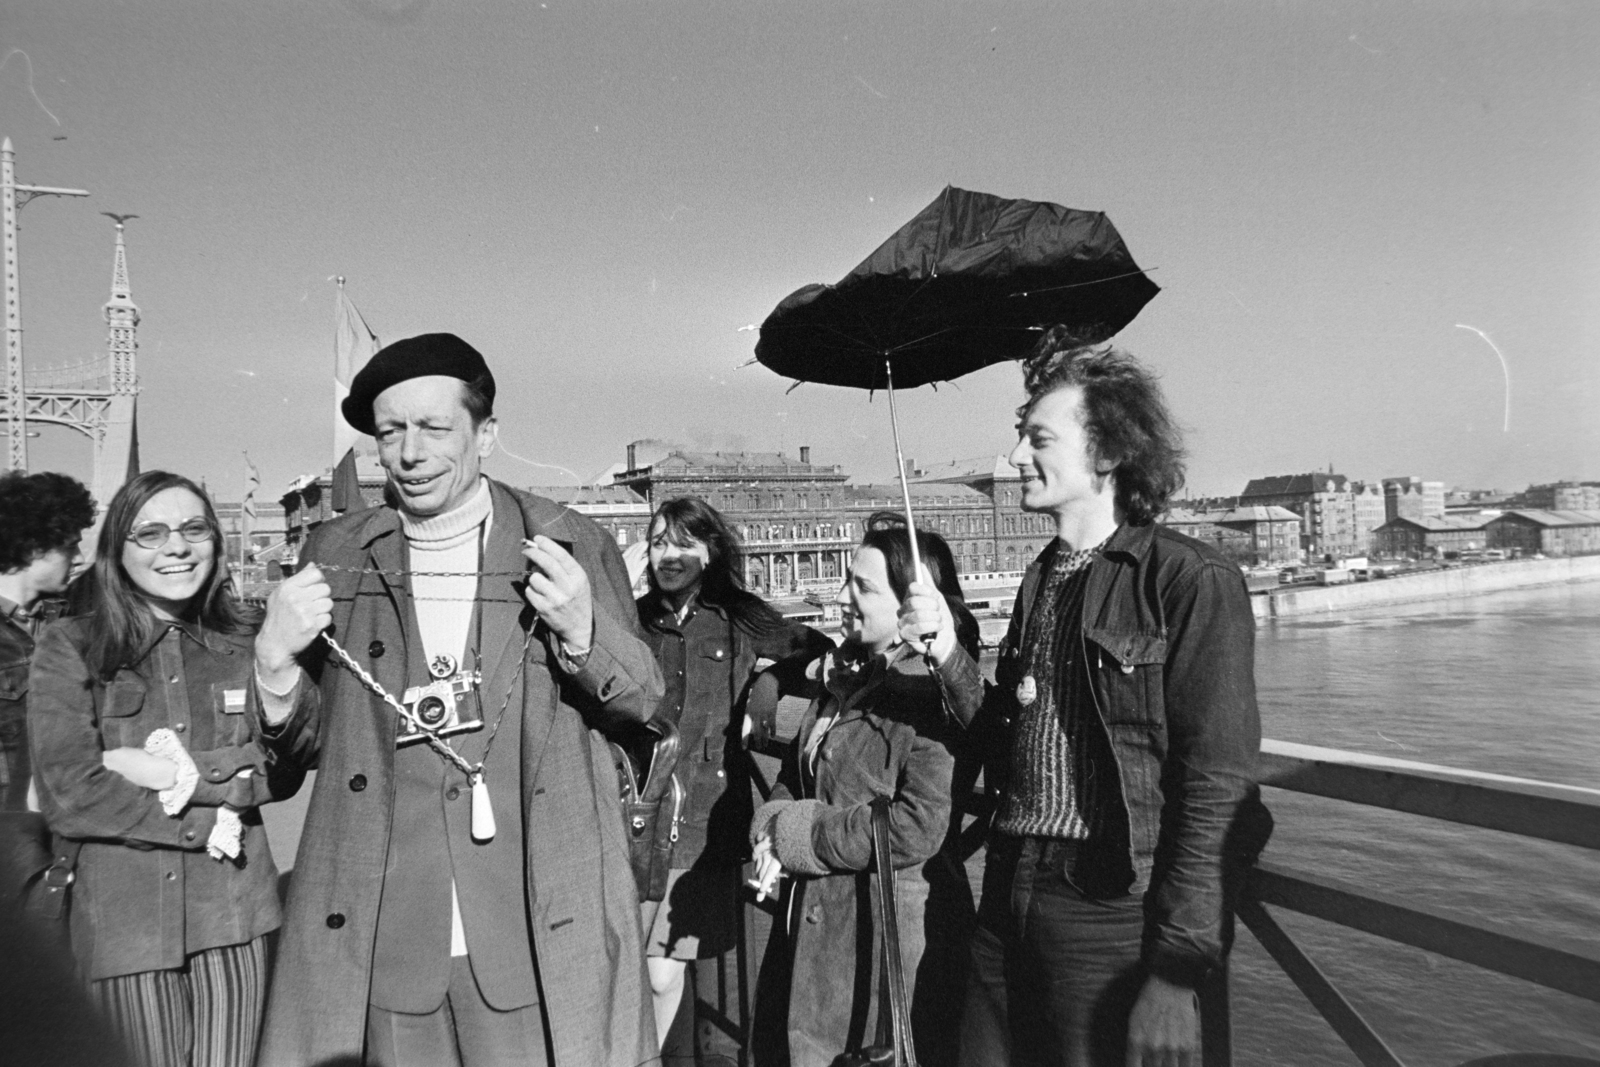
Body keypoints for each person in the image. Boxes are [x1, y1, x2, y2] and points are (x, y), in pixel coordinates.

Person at [252, 332, 665, 1067]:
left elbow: (645, 702)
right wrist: (275, 665)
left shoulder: (569, 540)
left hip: (532, 934)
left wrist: (582, 630)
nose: (409, 452)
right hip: (385, 940)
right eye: (390, 431)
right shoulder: (337, 551)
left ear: (487, 434)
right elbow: (300, 751)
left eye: (435, 427)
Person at [956, 331, 1270, 1067]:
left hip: (1109, 910)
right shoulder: (1041, 579)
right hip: (1008, 895)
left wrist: (1174, 971)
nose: (1014, 459)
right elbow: (1016, 740)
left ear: (1107, 452)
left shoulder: (1188, 580)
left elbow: (1216, 783)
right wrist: (945, 651)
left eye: (1038, 438)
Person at [27, 470, 305, 1067]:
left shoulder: (251, 641)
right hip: (124, 926)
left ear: (216, 540)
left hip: (235, 916)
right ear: (117, 552)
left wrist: (171, 775)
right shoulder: (69, 646)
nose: (175, 547)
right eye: (149, 533)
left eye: (193, 529)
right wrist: (212, 821)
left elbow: (283, 767)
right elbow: (72, 794)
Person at [749, 525, 983, 1067]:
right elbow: (797, 773)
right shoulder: (851, 675)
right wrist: (771, 822)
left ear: (913, 602)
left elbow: (919, 824)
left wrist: (800, 835)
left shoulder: (931, 692)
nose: (840, 596)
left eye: (862, 587)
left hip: (888, 942)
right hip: (816, 932)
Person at [633, 496, 833, 1060]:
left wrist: (768, 687)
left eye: (682, 544)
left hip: (704, 824)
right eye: (657, 543)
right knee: (642, 968)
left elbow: (817, 648)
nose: (667, 555)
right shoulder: (636, 618)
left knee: (661, 971)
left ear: (711, 551)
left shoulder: (740, 616)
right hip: (638, 821)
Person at [0, 471, 95, 819]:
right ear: (34, 547)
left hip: (68, 818)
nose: (81, 558)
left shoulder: (72, 621)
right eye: (70, 545)